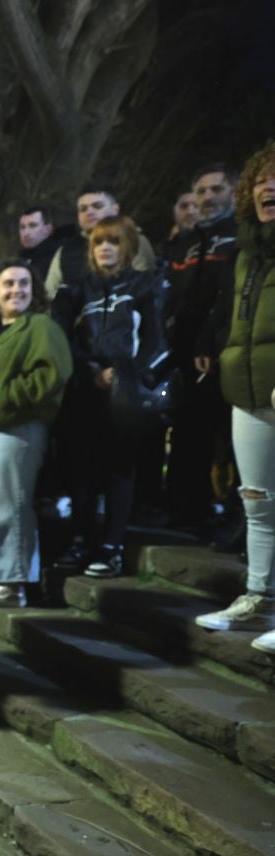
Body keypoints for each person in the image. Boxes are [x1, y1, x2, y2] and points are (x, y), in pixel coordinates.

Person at [0, 261, 72, 608]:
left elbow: (53, 375)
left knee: (5, 502)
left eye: (23, 283)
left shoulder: (39, 326)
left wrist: (5, 400)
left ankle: (10, 582)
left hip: (16, 426)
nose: (16, 290)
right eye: (7, 284)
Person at [196, 142, 275, 650]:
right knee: (257, 499)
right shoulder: (246, 250)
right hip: (246, 385)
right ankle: (260, 597)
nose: (269, 187)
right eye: (262, 179)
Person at [55, 217, 166, 578]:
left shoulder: (144, 285)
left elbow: (156, 341)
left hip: (126, 396)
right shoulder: (77, 290)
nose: (105, 248)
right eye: (99, 242)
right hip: (86, 392)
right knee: (82, 471)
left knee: (120, 469)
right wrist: (90, 373)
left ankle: (112, 547)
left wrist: (128, 378)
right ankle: (81, 540)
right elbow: (65, 343)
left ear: (128, 247)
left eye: (113, 242)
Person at [163, 163, 241, 531]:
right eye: (202, 191)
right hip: (184, 357)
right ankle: (184, 514)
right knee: (187, 435)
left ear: (234, 193)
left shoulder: (240, 237)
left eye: (217, 189)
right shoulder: (186, 243)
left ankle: (231, 516)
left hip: (224, 354)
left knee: (229, 440)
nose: (208, 198)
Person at [45, 185, 156, 300]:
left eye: (97, 206)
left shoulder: (134, 241)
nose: (89, 212)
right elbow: (50, 294)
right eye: (83, 209)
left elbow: (144, 291)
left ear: (115, 210)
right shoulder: (66, 250)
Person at [18, 206, 61, 283]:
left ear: (48, 229)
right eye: (22, 227)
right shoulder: (20, 259)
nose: (26, 233)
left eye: (32, 226)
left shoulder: (58, 257)